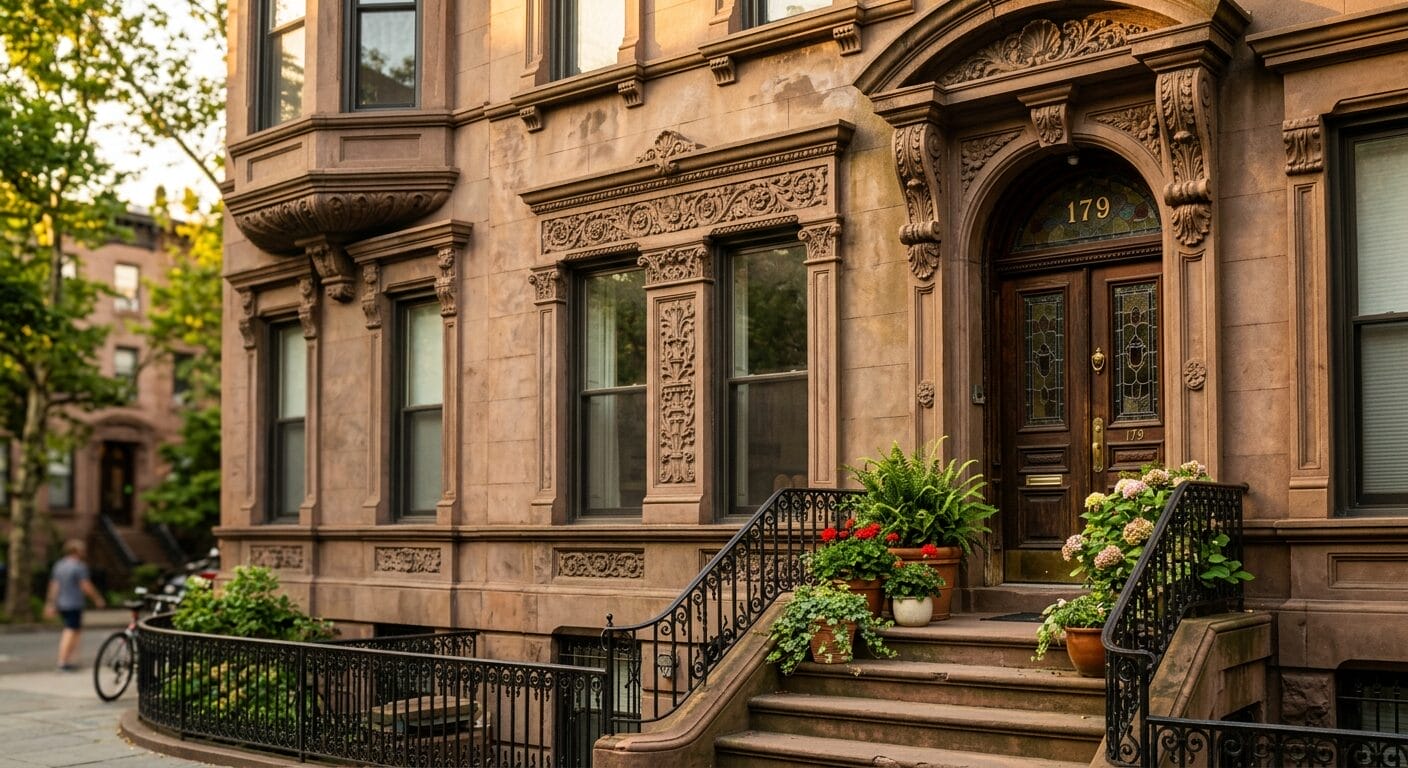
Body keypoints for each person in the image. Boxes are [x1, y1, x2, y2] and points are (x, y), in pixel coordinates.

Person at [43, 540, 106, 671]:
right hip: (73, 604)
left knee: (75, 631)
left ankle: (69, 660)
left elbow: (54, 586)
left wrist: (51, 603)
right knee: (70, 631)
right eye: (82, 550)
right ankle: (63, 661)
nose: (84, 553)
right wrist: (97, 598)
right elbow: (86, 585)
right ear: (76, 551)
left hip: (62, 603)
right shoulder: (79, 567)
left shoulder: (59, 565)